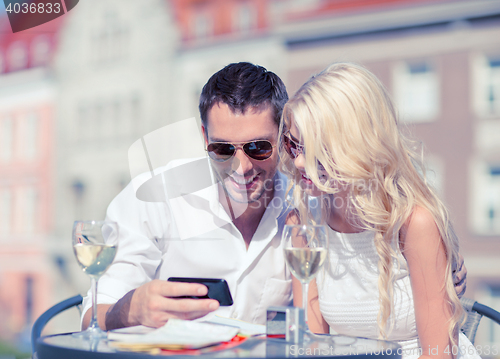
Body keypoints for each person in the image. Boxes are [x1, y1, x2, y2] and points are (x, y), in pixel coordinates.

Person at [81, 62, 467, 330]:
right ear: (204, 140)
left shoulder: (310, 207)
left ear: (285, 138)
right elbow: (90, 319)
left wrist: (442, 267)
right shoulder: (155, 198)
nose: (241, 167)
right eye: (222, 150)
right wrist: (130, 310)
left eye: (258, 148)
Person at [279, 62, 478, 359]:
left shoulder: (414, 223)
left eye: (315, 150)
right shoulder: (304, 223)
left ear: (357, 146)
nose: (297, 162)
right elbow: (311, 346)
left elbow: (438, 353)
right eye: (293, 145)